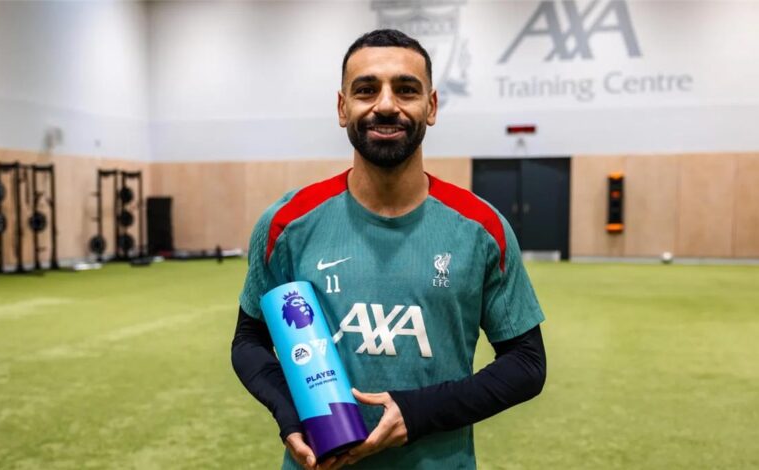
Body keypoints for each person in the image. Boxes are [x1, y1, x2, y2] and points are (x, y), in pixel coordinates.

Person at [231, 29, 546, 470]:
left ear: (431, 107)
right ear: (342, 107)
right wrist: (290, 415)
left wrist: (417, 413)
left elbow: (527, 364)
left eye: (405, 90)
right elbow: (249, 341)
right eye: (365, 90)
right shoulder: (287, 224)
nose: (384, 105)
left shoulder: (481, 228)